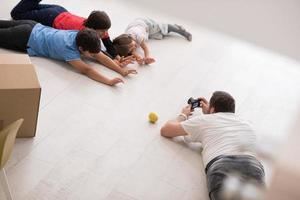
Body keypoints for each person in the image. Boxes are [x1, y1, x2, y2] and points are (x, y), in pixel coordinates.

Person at [160, 91, 265, 200]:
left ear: (213, 109)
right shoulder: (248, 124)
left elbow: (166, 130)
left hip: (223, 165)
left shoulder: (205, 120)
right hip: (253, 166)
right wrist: (210, 111)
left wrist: (183, 115)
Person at [0, 20, 137, 86]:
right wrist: (108, 81)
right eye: (91, 54)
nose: (94, 56)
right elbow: (87, 70)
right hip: (24, 37)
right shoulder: (68, 50)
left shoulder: (81, 35)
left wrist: (121, 71)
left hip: (33, 26)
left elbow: (100, 56)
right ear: (82, 49)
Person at [10, 0, 123, 61]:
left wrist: (117, 56)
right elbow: (97, 52)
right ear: (92, 29)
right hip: (50, 17)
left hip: (60, 11)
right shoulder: (84, 34)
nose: (104, 34)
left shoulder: (98, 27)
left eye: (105, 30)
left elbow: (108, 43)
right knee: (16, 14)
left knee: (29, 9)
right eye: (102, 31)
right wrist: (114, 61)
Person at [112, 18, 192, 65]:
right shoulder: (126, 42)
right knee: (158, 35)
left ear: (131, 39)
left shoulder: (138, 36)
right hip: (138, 27)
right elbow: (133, 52)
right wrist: (140, 59)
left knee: (162, 28)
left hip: (146, 24)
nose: (134, 48)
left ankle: (179, 29)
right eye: (131, 49)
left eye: (133, 46)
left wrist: (147, 57)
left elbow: (145, 48)